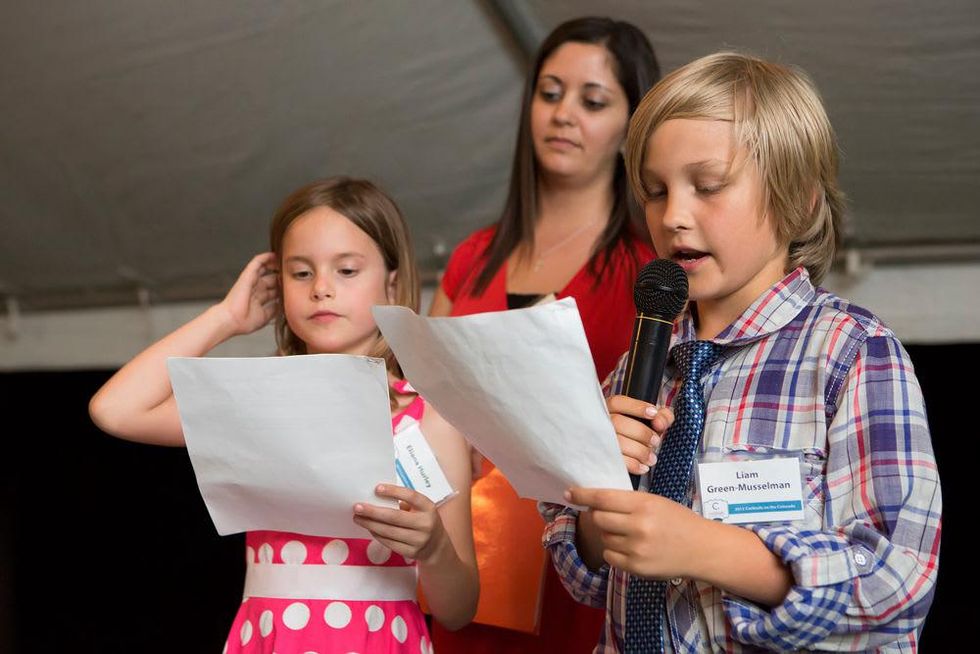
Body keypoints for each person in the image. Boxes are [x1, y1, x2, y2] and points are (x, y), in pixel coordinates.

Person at [546, 51, 941, 652]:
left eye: (707, 187)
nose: (673, 216)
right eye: (654, 191)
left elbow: (900, 583)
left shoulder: (853, 353)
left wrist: (709, 549)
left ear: (799, 201)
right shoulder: (639, 364)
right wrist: (601, 514)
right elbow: (583, 570)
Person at [89, 177, 478, 653]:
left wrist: (435, 548)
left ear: (392, 281)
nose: (322, 289)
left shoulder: (432, 420)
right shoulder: (257, 403)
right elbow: (115, 410)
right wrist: (226, 319)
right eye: (301, 272)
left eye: (348, 270)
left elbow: (459, 612)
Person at [428, 16, 660, 654]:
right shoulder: (473, 257)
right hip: (463, 549)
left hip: (582, 556)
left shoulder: (652, 270)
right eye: (550, 92)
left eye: (593, 101)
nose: (563, 114)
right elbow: (418, 403)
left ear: (630, 130)